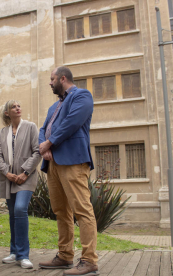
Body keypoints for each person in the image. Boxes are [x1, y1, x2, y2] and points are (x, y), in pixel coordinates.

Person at [38, 67, 98, 276]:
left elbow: (72, 122)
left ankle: (89, 260)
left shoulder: (82, 96)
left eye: (52, 79)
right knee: (61, 211)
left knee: (82, 210)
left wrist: (50, 142)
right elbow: (42, 129)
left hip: (73, 161)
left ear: (62, 79)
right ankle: (65, 255)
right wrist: (43, 147)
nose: (50, 83)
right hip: (53, 163)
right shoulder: (54, 106)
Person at [0, 100, 42, 269]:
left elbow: (38, 151)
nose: (18, 108)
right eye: (14, 107)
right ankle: (14, 251)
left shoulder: (30, 127)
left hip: (26, 178)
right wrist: (7, 173)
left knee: (20, 209)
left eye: (19, 106)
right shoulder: (3, 132)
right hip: (9, 178)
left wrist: (25, 172)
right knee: (13, 214)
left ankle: (23, 255)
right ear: (7, 112)